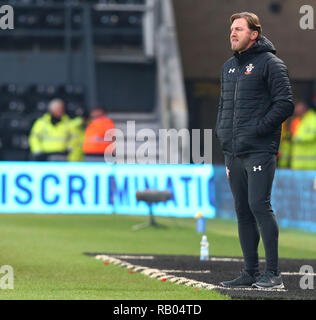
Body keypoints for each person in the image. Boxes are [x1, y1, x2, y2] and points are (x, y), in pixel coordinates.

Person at [215, 12, 294, 289]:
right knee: (242, 210)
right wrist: (224, 139)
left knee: (259, 205)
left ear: (254, 34)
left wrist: (259, 129)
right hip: (234, 152)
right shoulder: (228, 67)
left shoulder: (271, 64)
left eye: (239, 29)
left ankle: (273, 275)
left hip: (260, 149)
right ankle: (249, 272)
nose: (233, 33)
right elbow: (224, 107)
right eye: (231, 29)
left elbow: (284, 104)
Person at [287, 102, 316, 170]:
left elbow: (312, 135)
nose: (296, 112)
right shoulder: (300, 119)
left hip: (310, 164)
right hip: (298, 163)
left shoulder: (313, 119)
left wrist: (296, 139)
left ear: (304, 109)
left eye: (298, 111)